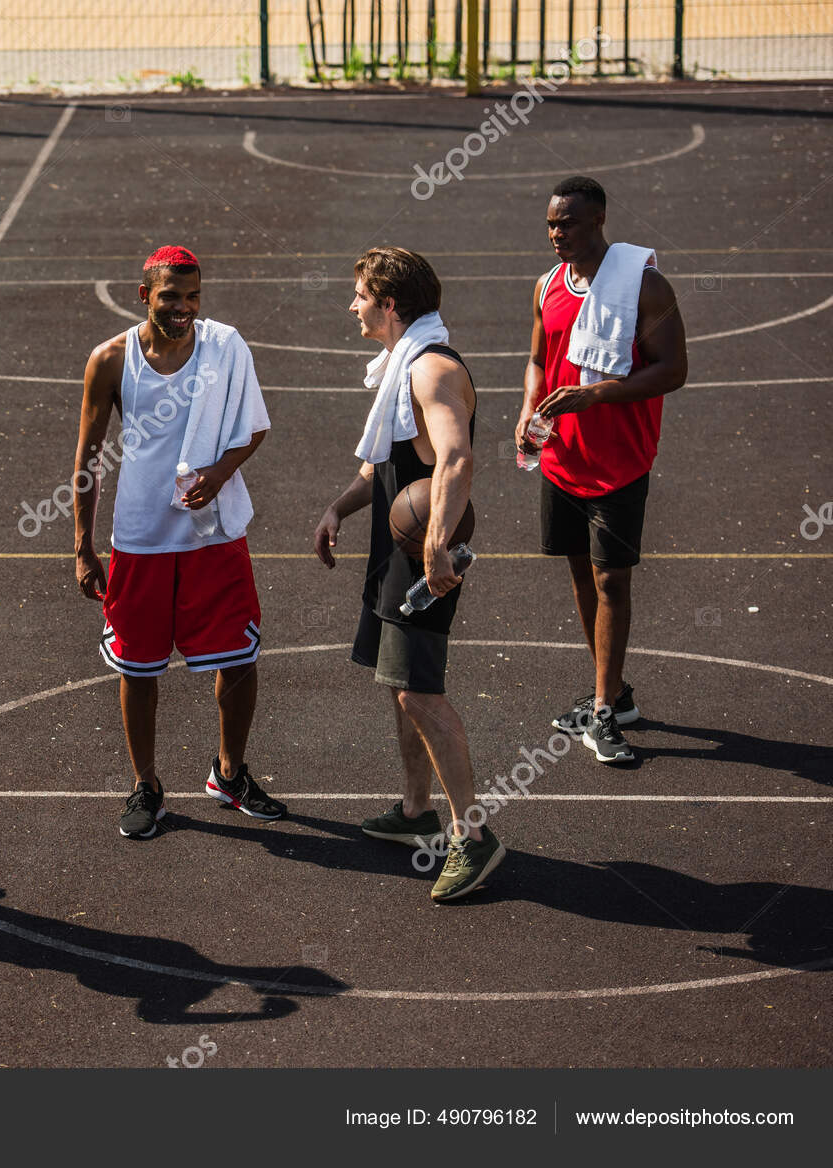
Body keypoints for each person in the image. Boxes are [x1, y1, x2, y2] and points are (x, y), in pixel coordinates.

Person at [72, 245, 282, 840]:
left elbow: (255, 425)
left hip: (212, 532)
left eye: (193, 297)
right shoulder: (110, 360)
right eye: (171, 297)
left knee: (239, 659)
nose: (184, 308)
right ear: (145, 296)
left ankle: (229, 773)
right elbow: (87, 458)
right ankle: (146, 784)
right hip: (139, 535)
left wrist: (219, 473)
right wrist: (83, 545)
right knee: (138, 668)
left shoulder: (225, 348)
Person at [314, 246, 503, 902]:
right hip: (397, 551)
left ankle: (472, 836)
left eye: (361, 294)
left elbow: (455, 458)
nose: (353, 305)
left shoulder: (432, 369)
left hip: (424, 557)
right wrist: (341, 504)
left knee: (420, 691)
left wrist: (439, 544)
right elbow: (386, 460)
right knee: (399, 686)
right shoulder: (402, 367)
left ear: (391, 305)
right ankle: (416, 810)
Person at [517, 176, 687, 763]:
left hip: (619, 461)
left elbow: (672, 370)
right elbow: (538, 360)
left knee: (613, 579)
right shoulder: (546, 285)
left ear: (600, 220)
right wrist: (526, 410)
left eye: (568, 223)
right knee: (582, 576)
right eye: (550, 224)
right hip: (563, 459)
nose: (556, 233)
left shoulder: (646, 285)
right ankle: (611, 691)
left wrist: (596, 397)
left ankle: (604, 712)